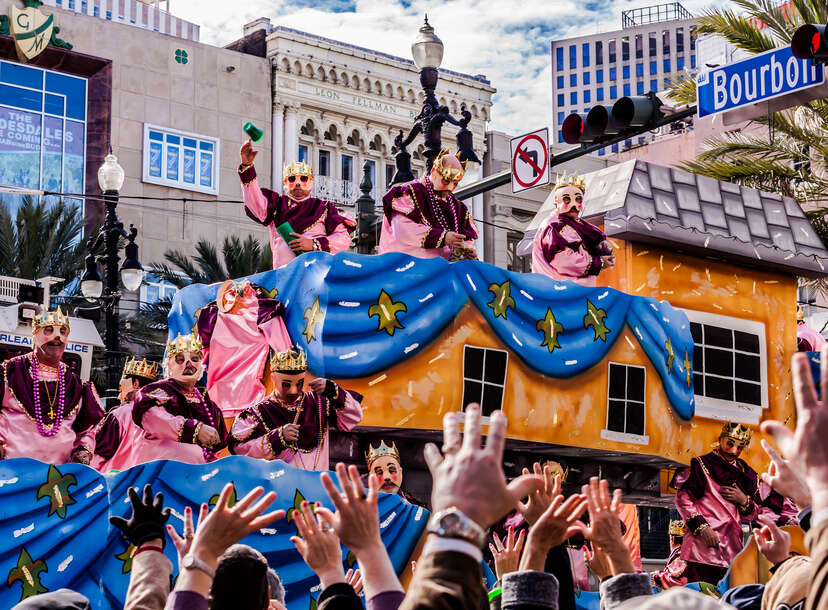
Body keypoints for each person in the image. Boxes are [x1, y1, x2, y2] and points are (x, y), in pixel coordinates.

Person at [652, 423, 762, 588]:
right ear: (720, 440)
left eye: (739, 447)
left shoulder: (747, 475)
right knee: (695, 595)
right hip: (701, 550)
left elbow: (754, 515)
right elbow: (683, 499)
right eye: (730, 443)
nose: (733, 451)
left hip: (732, 550)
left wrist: (743, 500)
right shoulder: (702, 465)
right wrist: (703, 528)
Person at [228, 347, 363, 470]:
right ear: (273, 379)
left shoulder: (319, 402)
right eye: (286, 385)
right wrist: (277, 438)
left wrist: (334, 392)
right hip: (280, 488)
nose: (293, 391)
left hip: (317, 486)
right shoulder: (260, 412)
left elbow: (353, 418)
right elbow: (240, 451)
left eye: (299, 384)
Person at [0, 308, 103, 464]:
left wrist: (83, 450)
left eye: (63, 332)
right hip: (10, 476)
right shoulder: (9, 372)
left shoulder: (76, 384)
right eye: (49, 330)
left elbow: (86, 431)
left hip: (58, 479)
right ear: (34, 336)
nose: (57, 337)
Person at [238, 140, 355, 269]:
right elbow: (254, 202)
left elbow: (343, 238)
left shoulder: (324, 208)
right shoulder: (276, 205)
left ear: (311, 183)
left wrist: (314, 244)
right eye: (292, 179)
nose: (298, 183)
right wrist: (247, 166)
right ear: (285, 183)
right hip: (284, 279)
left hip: (317, 276)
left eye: (303, 179)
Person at [196, 280, 291, 418]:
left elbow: (202, 356)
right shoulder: (261, 308)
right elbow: (285, 349)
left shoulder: (210, 314)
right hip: (249, 395)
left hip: (218, 397)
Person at [131, 333, 227, 464]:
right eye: (180, 360)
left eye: (194, 359)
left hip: (199, 474)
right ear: (169, 365)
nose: (189, 364)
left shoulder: (209, 404)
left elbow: (217, 446)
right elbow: (155, 419)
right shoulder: (154, 392)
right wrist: (195, 429)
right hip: (160, 473)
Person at [379, 148, 479, 261]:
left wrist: (466, 251)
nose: (450, 188)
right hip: (410, 269)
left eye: (455, 184)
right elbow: (402, 230)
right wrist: (442, 237)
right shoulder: (410, 192)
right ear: (433, 172)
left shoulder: (458, 207)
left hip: (443, 272)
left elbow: (466, 240)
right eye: (446, 181)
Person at [531, 172, 615, 286]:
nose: (573, 204)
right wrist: (598, 262)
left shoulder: (580, 226)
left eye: (578, 199)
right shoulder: (554, 226)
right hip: (562, 293)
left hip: (577, 293)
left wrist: (602, 248)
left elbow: (588, 246)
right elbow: (563, 261)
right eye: (567, 199)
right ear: (556, 203)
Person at [92, 357, 159, 472]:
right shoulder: (163, 415)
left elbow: (100, 454)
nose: (119, 395)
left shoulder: (120, 414)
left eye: (121, 387)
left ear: (136, 384)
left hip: (116, 480)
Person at [364, 440, 423, 506]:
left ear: (400, 473)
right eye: (379, 472)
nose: (387, 477)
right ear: (370, 477)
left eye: (392, 470)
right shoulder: (364, 507)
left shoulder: (414, 505)